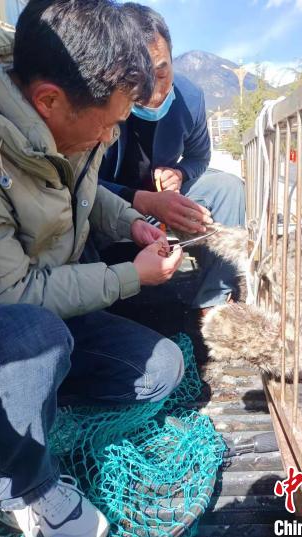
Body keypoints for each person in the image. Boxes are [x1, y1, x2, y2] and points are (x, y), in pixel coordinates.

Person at [0, 1, 185, 537]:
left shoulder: (69, 113)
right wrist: (131, 277)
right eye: (107, 126)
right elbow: (14, 293)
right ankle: (26, 489)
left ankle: (29, 407)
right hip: (15, 317)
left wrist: (131, 222)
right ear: (48, 101)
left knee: (161, 371)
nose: (109, 139)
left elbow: (82, 188)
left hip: (49, 309)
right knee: (35, 338)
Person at [99, 2, 246, 311]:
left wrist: (181, 174)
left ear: (171, 55)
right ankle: (97, 305)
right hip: (108, 205)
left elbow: (199, 157)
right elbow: (80, 181)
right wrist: (143, 200)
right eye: (140, 79)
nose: (155, 92)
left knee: (229, 188)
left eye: (162, 72)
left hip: (163, 203)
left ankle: (213, 302)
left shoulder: (190, 98)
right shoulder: (99, 100)